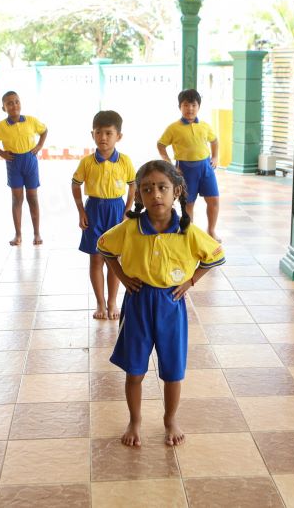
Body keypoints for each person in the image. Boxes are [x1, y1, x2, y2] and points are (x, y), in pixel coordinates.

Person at [98, 160, 226, 447]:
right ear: (139, 196)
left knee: (172, 371)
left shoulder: (187, 230)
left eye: (162, 187)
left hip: (171, 304)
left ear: (176, 191)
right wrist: (121, 277)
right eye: (147, 189)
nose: (155, 194)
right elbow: (104, 247)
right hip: (138, 303)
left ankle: (170, 420)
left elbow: (215, 256)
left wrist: (190, 281)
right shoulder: (130, 228)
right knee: (135, 370)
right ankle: (135, 420)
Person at [72, 110, 136, 320]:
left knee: (114, 259)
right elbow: (76, 183)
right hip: (94, 210)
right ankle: (100, 302)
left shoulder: (125, 161)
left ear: (119, 136)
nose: (103, 137)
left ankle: (112, 301)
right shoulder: (87, 162)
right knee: (96, 258)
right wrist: (81, 210)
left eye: (109, 133)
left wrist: (128, 209)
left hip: (117, 210)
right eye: (99, 133)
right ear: (92, 134)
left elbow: (132, 184)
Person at [157, 89, 221, 242]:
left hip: (206, 168)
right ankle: (189, 233)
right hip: (185, 170)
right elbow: (161, 145)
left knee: (214, 201)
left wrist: (215, 157)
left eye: (193, 105)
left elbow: (214, 141)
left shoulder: (205, 126)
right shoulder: (173, 127)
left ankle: (211, 231)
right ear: (180, 107)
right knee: (188, 204)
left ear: (199, 106)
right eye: (186, 105)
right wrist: (169, 164)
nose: (190, 109)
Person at [0, 91, 48, 246]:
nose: (14, 105)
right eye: (9, 103)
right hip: (13, 162)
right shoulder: (1, 127)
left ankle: (37, 233)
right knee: (17, 199)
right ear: (4, 108)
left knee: (33, 198)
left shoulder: (31, 121)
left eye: (16, 101)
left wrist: (39, 145)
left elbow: (44, 130)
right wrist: (1, 153)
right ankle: (18, 235)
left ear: (20, 103)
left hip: (30, 161)